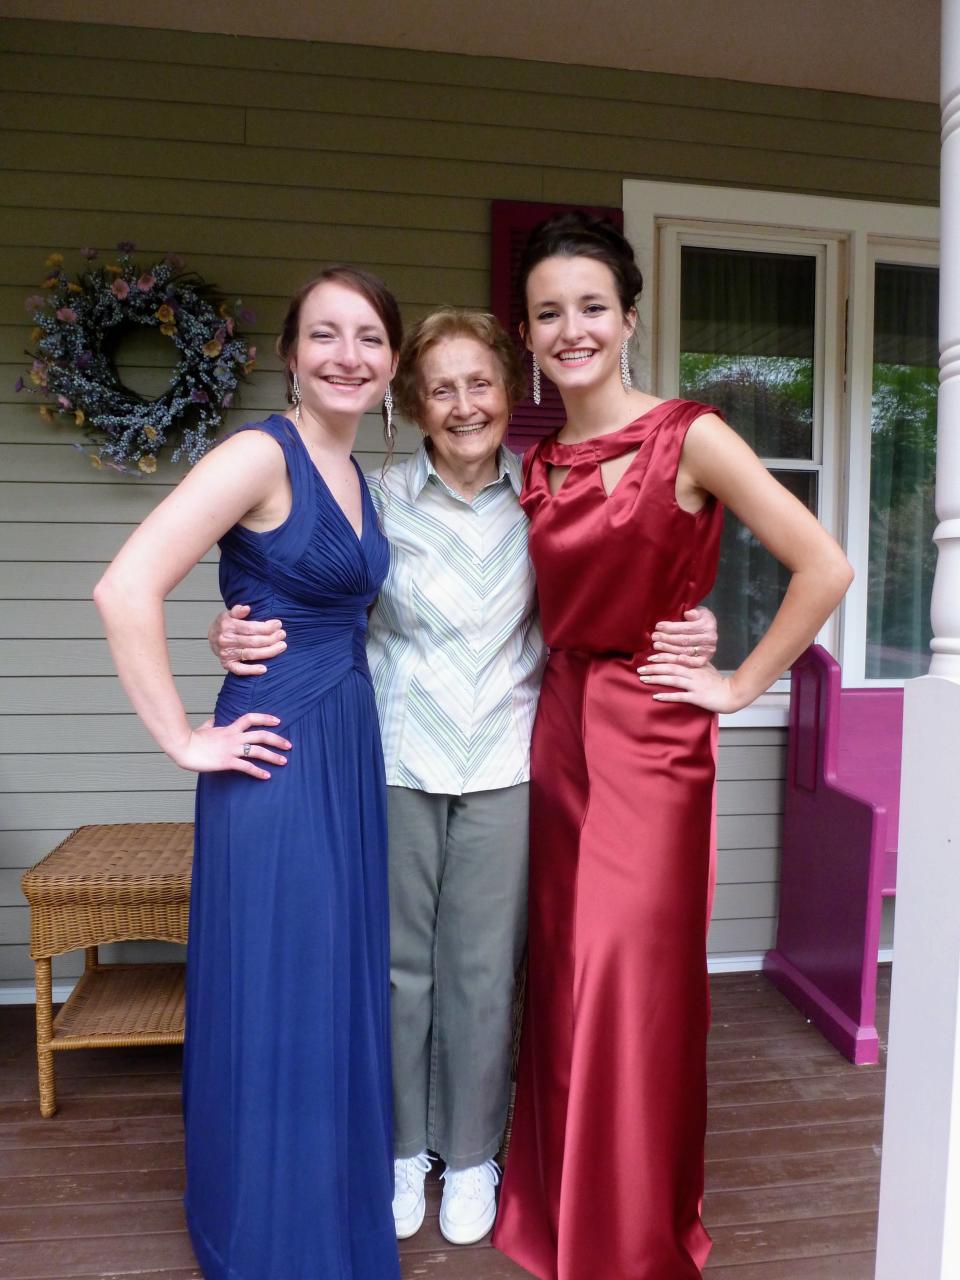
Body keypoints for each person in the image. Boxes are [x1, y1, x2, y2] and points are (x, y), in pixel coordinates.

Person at [210, 307, 719, 1250]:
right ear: (415, 402)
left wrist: (694, 625)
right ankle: (407, 1150)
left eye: (479, 382)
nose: (463, 404)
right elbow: (314, 598)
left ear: (508, 392)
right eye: (440, 388)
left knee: (484, 972)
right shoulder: (379, 499)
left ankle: (474, 1153)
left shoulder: (544, 497)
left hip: (508, 762)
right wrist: (231, 625)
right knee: (401, 972)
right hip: (396, 761)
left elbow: (624, 575)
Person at [490, 212, 854, 1280]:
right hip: (561, 728)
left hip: (652, 734)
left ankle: (626, 1231)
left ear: (629, 318)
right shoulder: (540, 458)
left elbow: (822, 564)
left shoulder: (688, 433)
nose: (573, 329)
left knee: (626, 974)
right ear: (527, 334)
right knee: (562, 971)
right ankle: (558, 1207)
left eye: (591, 307)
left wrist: (737, 680)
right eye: (550, 313)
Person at [93, 267, 404, 1280]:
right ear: (289, 354)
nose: (346, 353)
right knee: (280, 986)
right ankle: (272, 1235)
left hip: (345, 746)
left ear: (391, 361)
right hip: (272, 756)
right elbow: (125, 585)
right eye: (324, 333)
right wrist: (183, 734)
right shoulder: (257, 453)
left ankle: (320, 1204)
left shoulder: (355, 471)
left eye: (367, 336)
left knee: (326, 985)